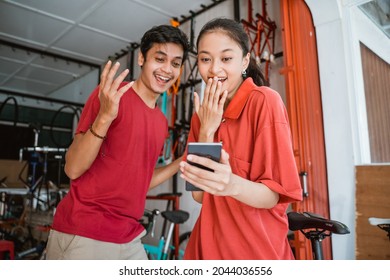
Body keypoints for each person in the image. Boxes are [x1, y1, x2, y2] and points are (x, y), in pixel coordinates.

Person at [45, 25, 190, 260]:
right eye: (160, 58)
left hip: (129, 235)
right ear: (142, 58)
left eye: (175, 63)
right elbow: (72, 168)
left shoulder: (161, 122)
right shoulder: (111, 95)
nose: (167, 69)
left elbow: (140, 181)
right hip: (86, 229)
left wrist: (181, 161)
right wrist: (105, 116)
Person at [179, 18, 302, 259]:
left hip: (256, 253)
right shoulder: (200, 116)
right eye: (205, 59)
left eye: (226, 59)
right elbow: (199, 195)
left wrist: (230, 184)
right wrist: (206, 131)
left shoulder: (265, 101)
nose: (214, 69)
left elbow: (272, 197)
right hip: (206, 251)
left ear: (245, 60)